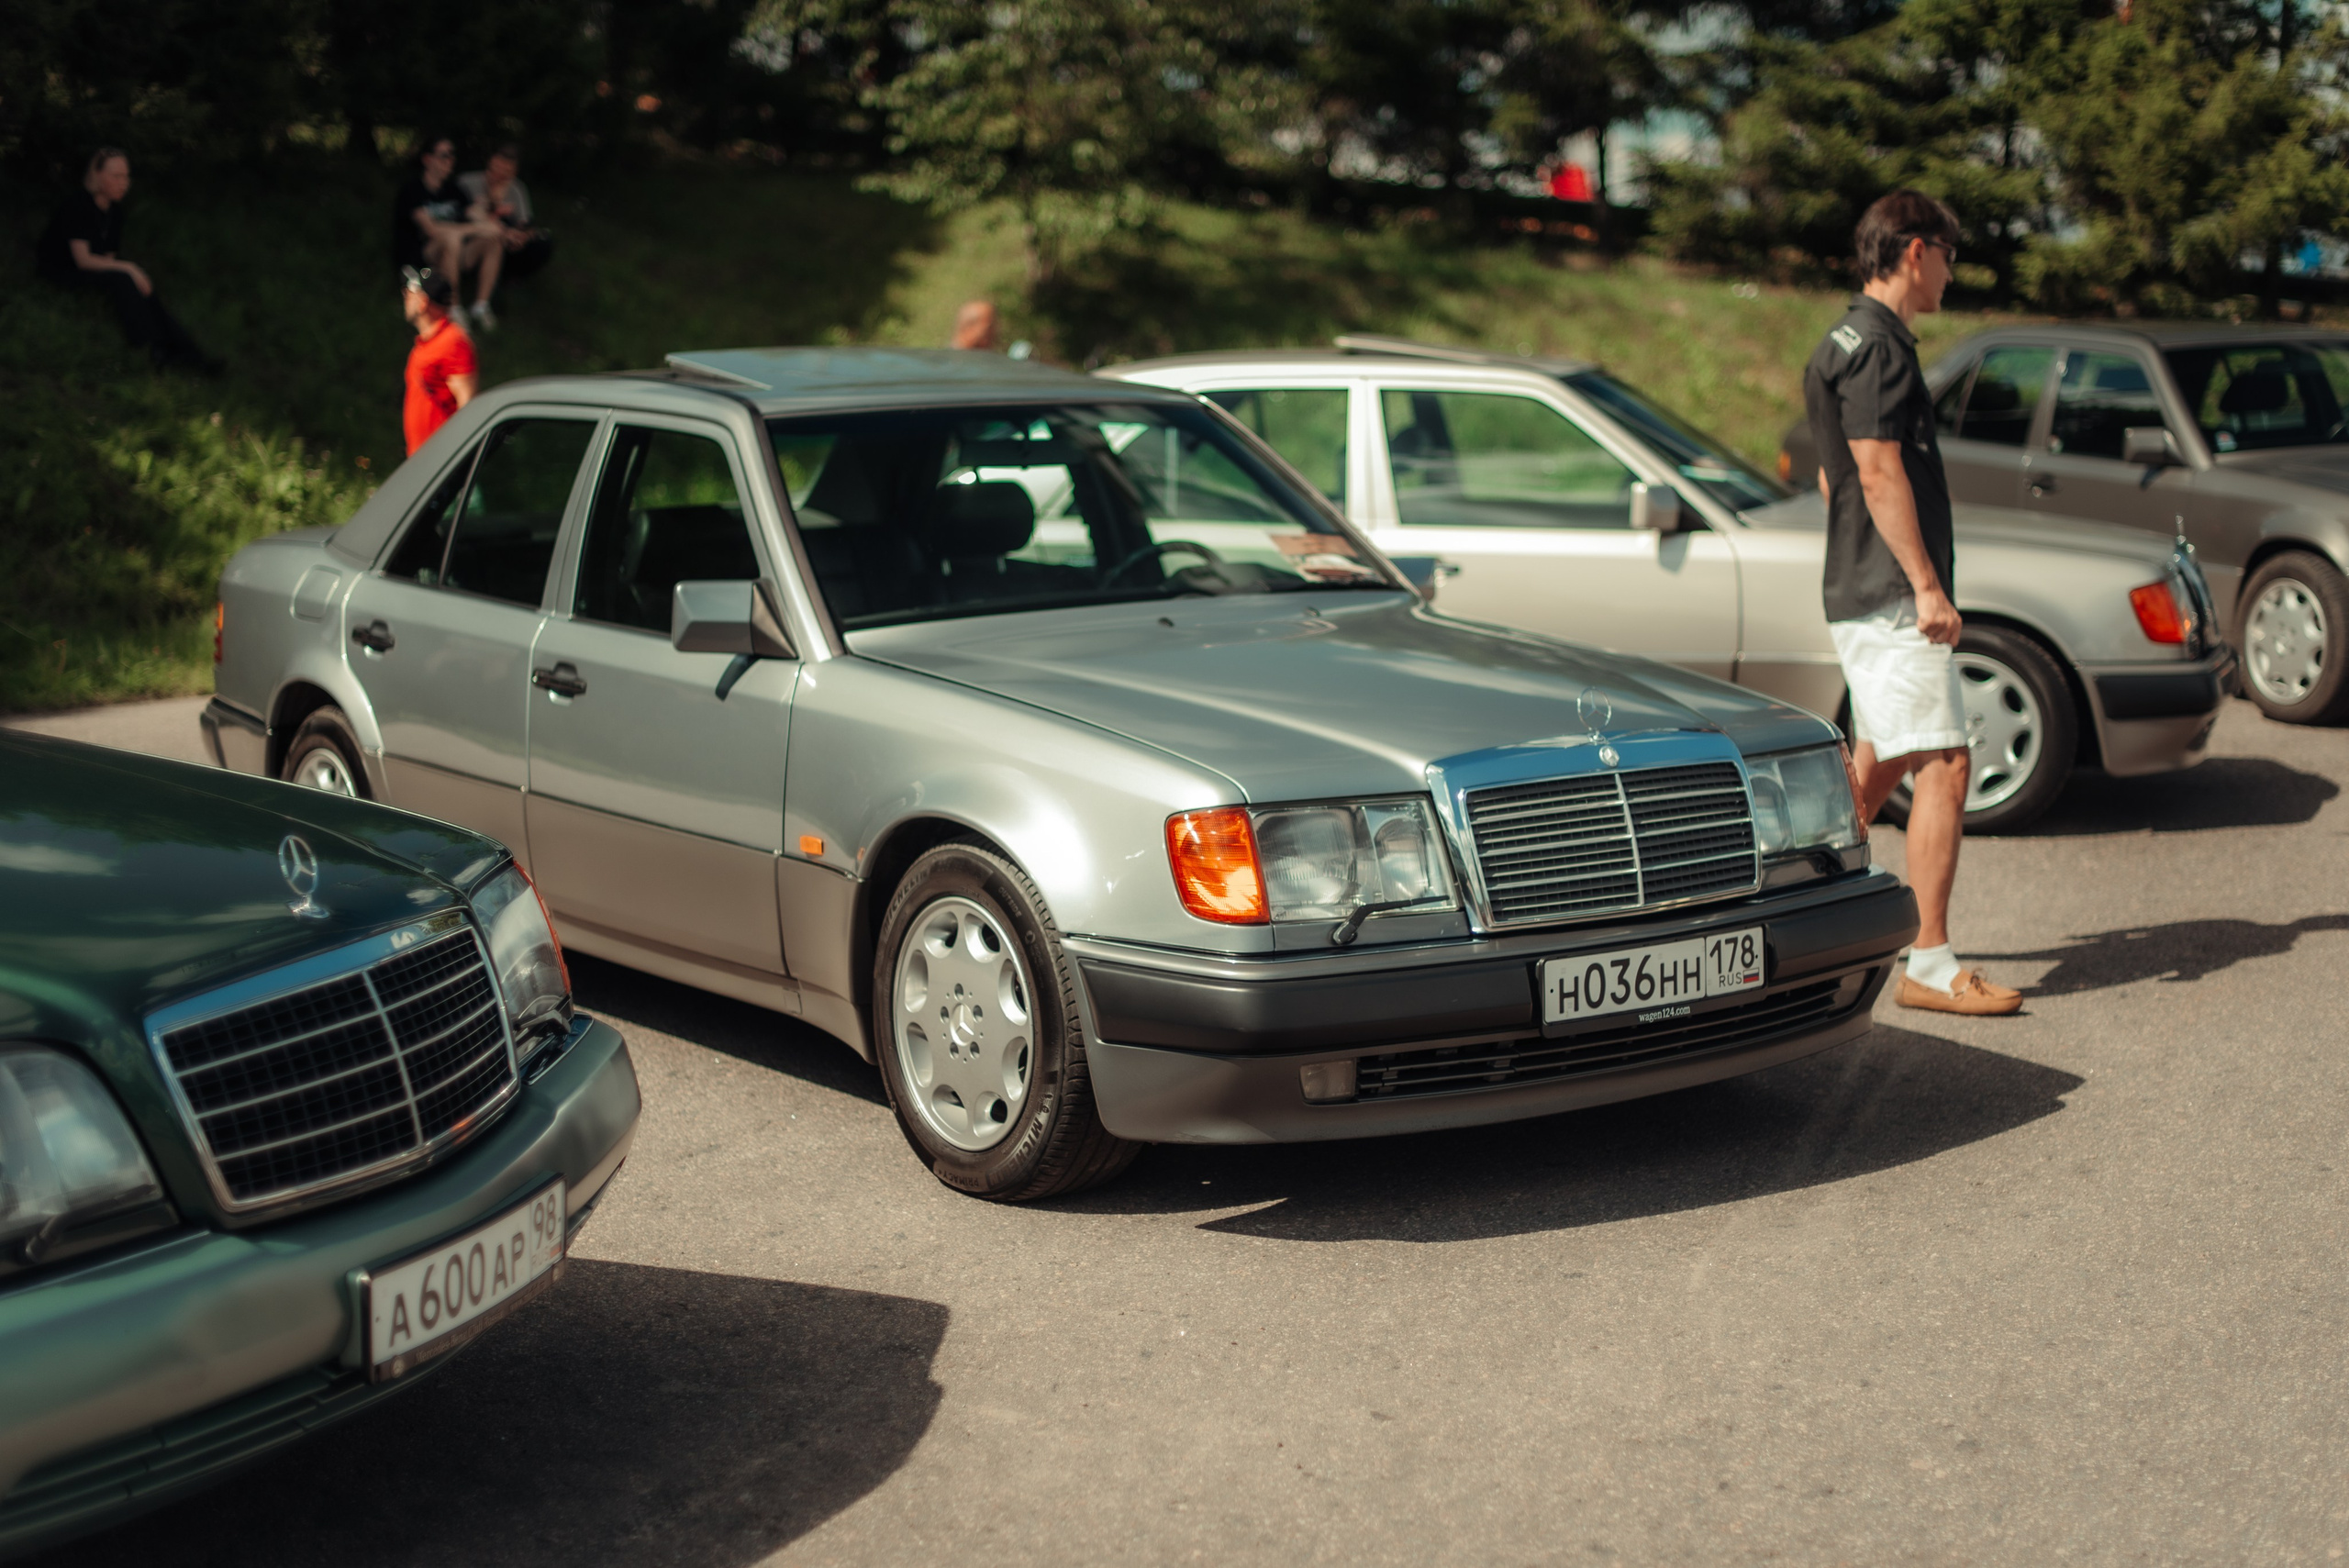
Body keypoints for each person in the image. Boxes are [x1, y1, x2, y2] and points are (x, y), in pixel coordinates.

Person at [1803, 189, 2021, 1018]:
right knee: (1946, 762)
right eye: (1950, 257)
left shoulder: (1841, 340)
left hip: (1863, 583)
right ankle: (1929, 961)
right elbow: (1875, 468)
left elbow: (1833, 478)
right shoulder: (1881, 349)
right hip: (1894, 596)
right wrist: (1927, 587)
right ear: (1916, 250)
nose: (1952, 276)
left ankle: (1794, 889)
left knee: (1884, 757)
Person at [35, 147, 221, 374]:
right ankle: (154, 352)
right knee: (124, 280)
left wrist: (130, 272)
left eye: (126, 177)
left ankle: (192, 357)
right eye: (116, 176)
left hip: (91, 270)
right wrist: (129, 268)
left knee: (143, 288)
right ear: (97, 175)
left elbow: (107, 258)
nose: (124, 183)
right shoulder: (77, 205)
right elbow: (83, 260)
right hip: (61, 270)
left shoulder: (115, 213)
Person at [393, 136, 506, 331]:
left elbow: (480, 217)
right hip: (424, 256)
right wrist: (472, 229)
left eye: (452, 155)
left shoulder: (454, 189)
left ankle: (481, 306)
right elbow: (432, 230)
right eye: (444, 155)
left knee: (492, 240)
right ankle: (453, 307)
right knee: (451, 238)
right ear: (427, 159)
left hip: (454, 252)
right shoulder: (412, 190)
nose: (450, 160)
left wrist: (493, 225)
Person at [457, 143, 554, 300]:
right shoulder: (467, 182)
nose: (500, 174)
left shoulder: (516, 189)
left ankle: (510, 277)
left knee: (543, 242)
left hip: (508, 238)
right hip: (478, 236)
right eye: (498, 167)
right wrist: (493, 202)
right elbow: (466, 216)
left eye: (507, 171)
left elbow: (526, 222)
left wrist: (523, 237)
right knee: (492, 237)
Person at [401, 266, 476, 455]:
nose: (405, 297)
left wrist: (450, 459)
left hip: (440, 461)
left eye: (410, 293)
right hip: (421, 460)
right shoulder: (426, 342)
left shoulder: (453, 342)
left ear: (423, 302)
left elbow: (467, 407)